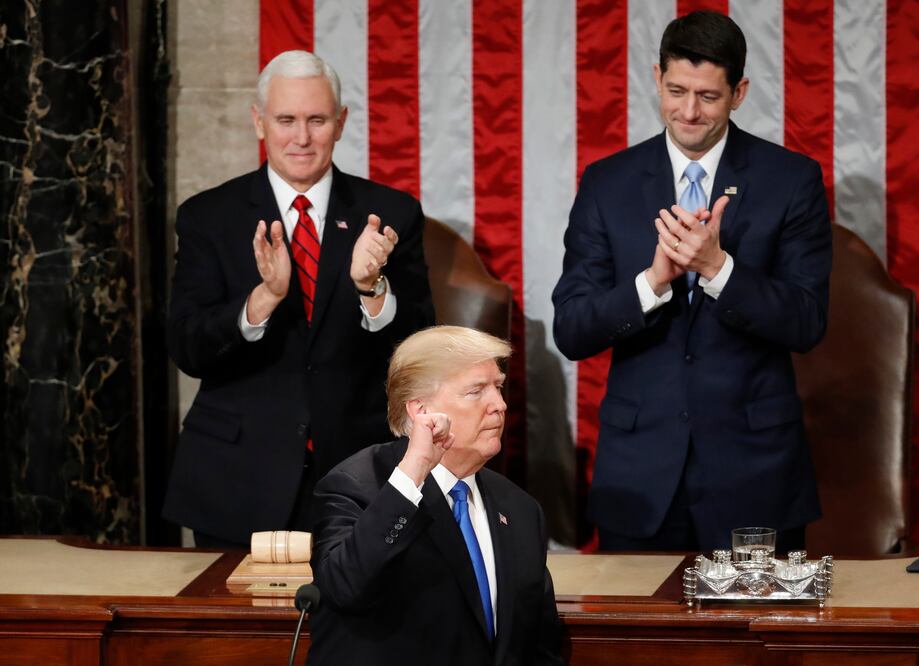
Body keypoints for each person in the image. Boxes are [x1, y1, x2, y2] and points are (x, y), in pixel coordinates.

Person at [552, 10, 832, 553]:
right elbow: (572, 329)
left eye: (707, 96)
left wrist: (716, 269)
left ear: (739, 91)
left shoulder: (791, 180)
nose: (688, 110)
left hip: (754, 476)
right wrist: (653, 282)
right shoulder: (607, 183)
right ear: (656, 78)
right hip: (638, 477)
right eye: (676, 90)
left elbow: (806, 321)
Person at [163, 50, 434, 549]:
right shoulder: (208, 216)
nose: (302, 137)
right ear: (259, 121)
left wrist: (371, 288)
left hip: (359, 474)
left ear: (341, 122)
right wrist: (263, 299)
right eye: (286, 120)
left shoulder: (390, 213)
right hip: (237, 477)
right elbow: (187, 348)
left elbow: (420, 350)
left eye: (317, 120)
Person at [307, 326, 563, 665]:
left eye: (498, 387)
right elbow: (345, 587)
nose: (499, 405)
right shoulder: (355, 485)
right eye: (476, 391)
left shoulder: (519, 508)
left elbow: (539, 644)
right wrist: (414, 471)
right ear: (420, 410)